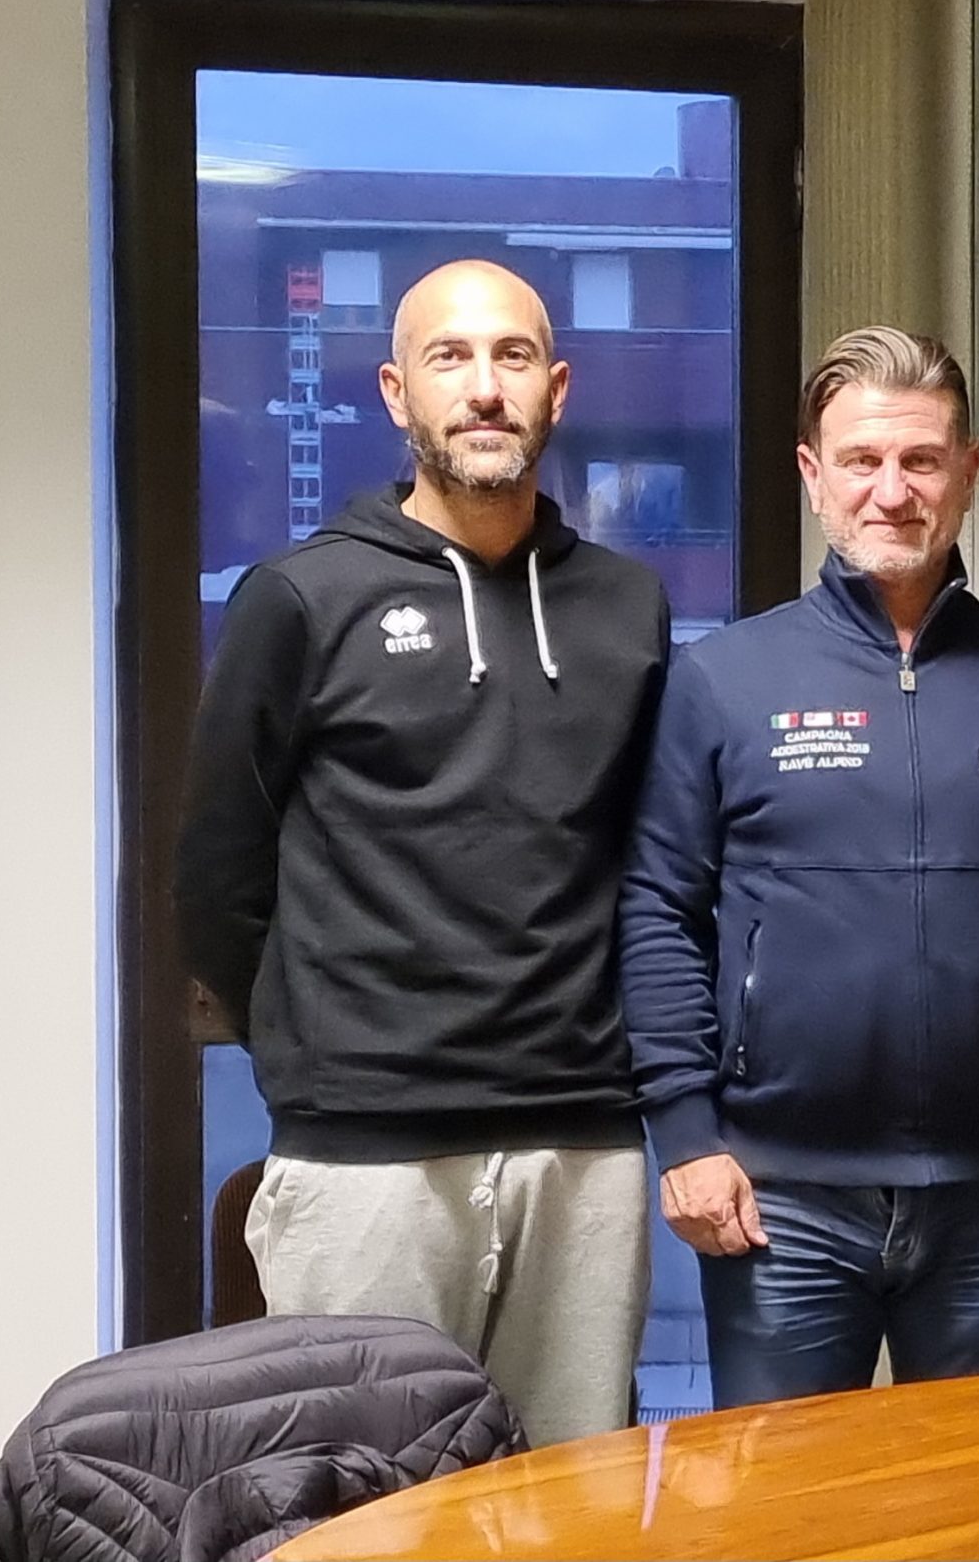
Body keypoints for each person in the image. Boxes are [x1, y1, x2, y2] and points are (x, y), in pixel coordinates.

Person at [176, 258, 671, 1443]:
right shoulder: (301, 598)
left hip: (579, 1145)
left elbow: (652, 869)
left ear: (557, 388)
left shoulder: (628, 609)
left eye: (512, 357)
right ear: (398, 394)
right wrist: (320, 1049)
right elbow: (216, 876)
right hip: (367, 1155)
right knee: (361, 1500)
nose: (484, 387)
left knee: (570, 1505)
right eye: (450, 357)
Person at [618, 326, 979, 1404]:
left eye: (921, 460)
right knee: (789, 1491)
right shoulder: (724, 680)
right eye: (862, 460)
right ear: (813, 474)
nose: (891, 492)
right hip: (779, 1199)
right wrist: (686, 1135)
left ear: (968, 472)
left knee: (978, 1489)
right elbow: (658, 911)